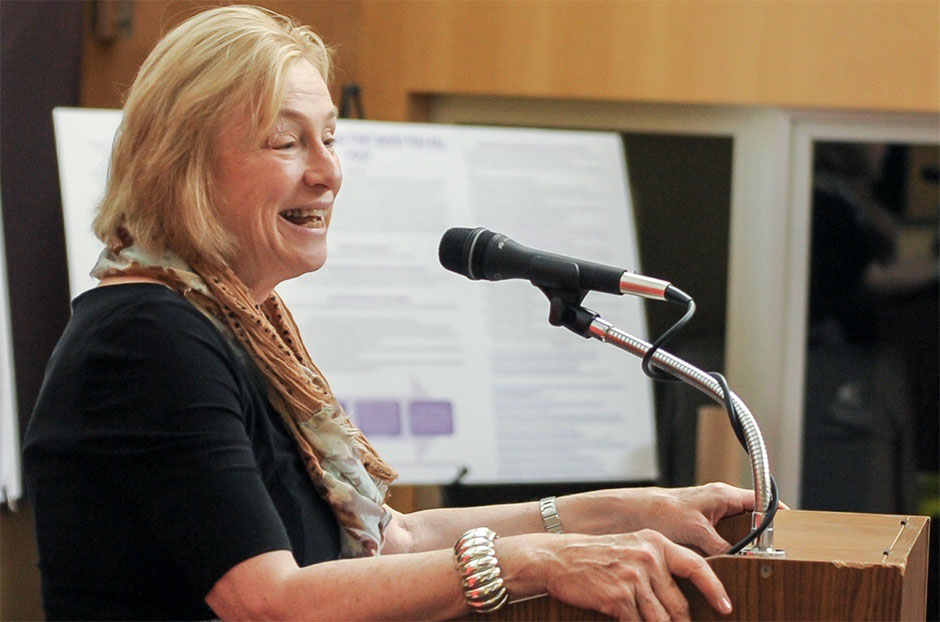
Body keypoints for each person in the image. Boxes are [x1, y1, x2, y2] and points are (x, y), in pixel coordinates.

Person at [23, 6, 756, 621]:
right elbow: (270, 600)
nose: (328, 169)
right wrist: (536, 561)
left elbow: (394, 541)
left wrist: (629, 512)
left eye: (331, 137)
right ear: (181, 165)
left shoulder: (243, 325)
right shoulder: (146, 340)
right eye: (286, 141)